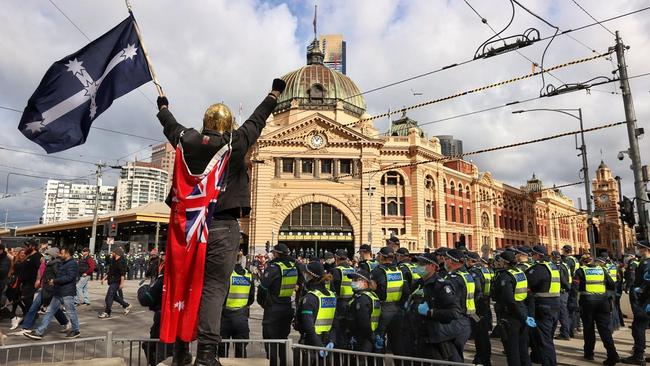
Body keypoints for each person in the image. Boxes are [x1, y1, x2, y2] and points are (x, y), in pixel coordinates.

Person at [157, 78, 285, 366]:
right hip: (223, 225)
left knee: (183, 284)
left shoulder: (185, 139)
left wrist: (163, 107)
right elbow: (257, 120)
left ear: (205, 123)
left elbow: (170, 125)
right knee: (214, 288)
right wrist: (274, 93)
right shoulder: (234, 143)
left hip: (186, 227)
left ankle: (179, 353)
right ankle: (205, 355)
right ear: (227, 125)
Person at [571, 255, 619, 365]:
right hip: (603, 303)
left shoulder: (580, 271)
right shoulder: (602, 270)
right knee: (604, 330)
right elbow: (612, 284)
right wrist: (606, 295)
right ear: (593, 261)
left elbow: (574, 288)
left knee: (588, 329)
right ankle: (612, 354)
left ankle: (589, 353)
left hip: (587, 303)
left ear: (583, 262)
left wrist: (574, 304)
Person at [25, 246, 80, 340]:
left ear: (67, 253)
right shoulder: (64, 263)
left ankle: (76, 330)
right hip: (58, 292)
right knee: (49, 312)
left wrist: (55, 281)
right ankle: (39, 332)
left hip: (67, 292)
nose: (60, 255)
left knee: (71, 312)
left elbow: (70, 277)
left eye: (61, 253)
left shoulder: (72, 264)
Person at [257, 244, 299, 366]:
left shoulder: (273, 268)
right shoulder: (294, 266)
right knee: (283, 341)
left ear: (276, 253)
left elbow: (263, 288)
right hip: (287, 306)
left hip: (273, 308)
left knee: (271, 342)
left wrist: (263, 303)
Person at [14, 247, 70, 336]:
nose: (46, 256)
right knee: (35, 307)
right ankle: (26, 327)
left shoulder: (56, 264)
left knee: (51, 309)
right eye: (46, 254)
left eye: (48, 254)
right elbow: (43, 274)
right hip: (45, 289)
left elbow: (59, 277)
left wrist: (53, 283)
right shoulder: (49, 263)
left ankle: (64, 323)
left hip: (52, 290)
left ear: (52, 255)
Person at [492, 250, 533, 366]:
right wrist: (527, 315)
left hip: (511, 315)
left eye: (500, 260)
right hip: (522, 310)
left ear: (505, 262)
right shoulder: (520, 272)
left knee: (512, 350)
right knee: (523, 348)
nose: (498, 262)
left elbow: (509, 300)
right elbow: (529, 295)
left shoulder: (505, 276)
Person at [526, 245, 565, 366]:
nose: (531, 257)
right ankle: (539, 358)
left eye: (533, 254)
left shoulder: (540, 268)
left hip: (543, 306)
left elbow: (528, 281)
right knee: (547, 337)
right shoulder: (553, 267)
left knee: (544, 340)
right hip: (555, 305)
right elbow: (565, 283)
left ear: (537, 255)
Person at [370, 246, 410, 358]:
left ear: (382, 256)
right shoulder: (400, 270)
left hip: (382, 310)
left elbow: (371, 288)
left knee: (379, 341)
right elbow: (406, 291)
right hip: (397, 309)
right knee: (397, 342)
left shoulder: (377, 271)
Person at [294, 261, 336, 365]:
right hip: (327, 343)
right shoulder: (331, 295)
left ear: (311, 276)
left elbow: (308, 326)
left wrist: (319, 346)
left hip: (311, 345)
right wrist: (331, 341)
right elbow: (335, 323)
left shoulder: (311, 298)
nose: (305, 275)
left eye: (306, 273)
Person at [341, 269, 381, 365]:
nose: (353, 282)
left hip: (361, 339)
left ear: (364, 282)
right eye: (353, 279)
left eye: (356, 279)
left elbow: (363, 321)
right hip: (370, 336)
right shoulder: (372, 295)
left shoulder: (362, 299)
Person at [218, 252, 254, 359]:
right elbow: (251, 298)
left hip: (225, 317)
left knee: (222, 349)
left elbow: (220, 295)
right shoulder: (248, 275)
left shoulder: (227, 275)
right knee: (241, 349)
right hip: (241, 317)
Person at [622, 240, 650, 365]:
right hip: (646, 301)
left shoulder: (645, 263)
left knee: (638, 327)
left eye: (640, 247)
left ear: (646, 249)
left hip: (644, 302)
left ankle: (638, 356)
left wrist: (639, 292)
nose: (638, 249)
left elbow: (646, 282)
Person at [466, 251, 493, 366]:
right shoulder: (486, 270)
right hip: (485, 304)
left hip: (478, 307)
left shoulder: (474, 272)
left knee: (480, 336)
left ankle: (481, 359)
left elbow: (476, 290)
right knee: (484, 335)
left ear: (471, 261)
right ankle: (484, 358)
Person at [98, 247, 132, 319]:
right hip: (112, 280)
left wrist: (122, 283)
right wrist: (104, 278)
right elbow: (110, 271)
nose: (112, 253)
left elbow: (123, 273)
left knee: (109, 295)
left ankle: (107, 312)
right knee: (114, 296)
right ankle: (126, 305)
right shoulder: (113, 260)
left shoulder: (122, 261)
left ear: (116, 253)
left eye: (113, 252)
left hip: (117, 281)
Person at [552, 250, 572, 341]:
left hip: (561, 291)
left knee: (562, 313)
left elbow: (562, 280)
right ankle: (565, 332)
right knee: (564, 313)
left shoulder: (558, 266)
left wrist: (566, 287)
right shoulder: (565, 265)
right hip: (565, 292)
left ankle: (565, 333)